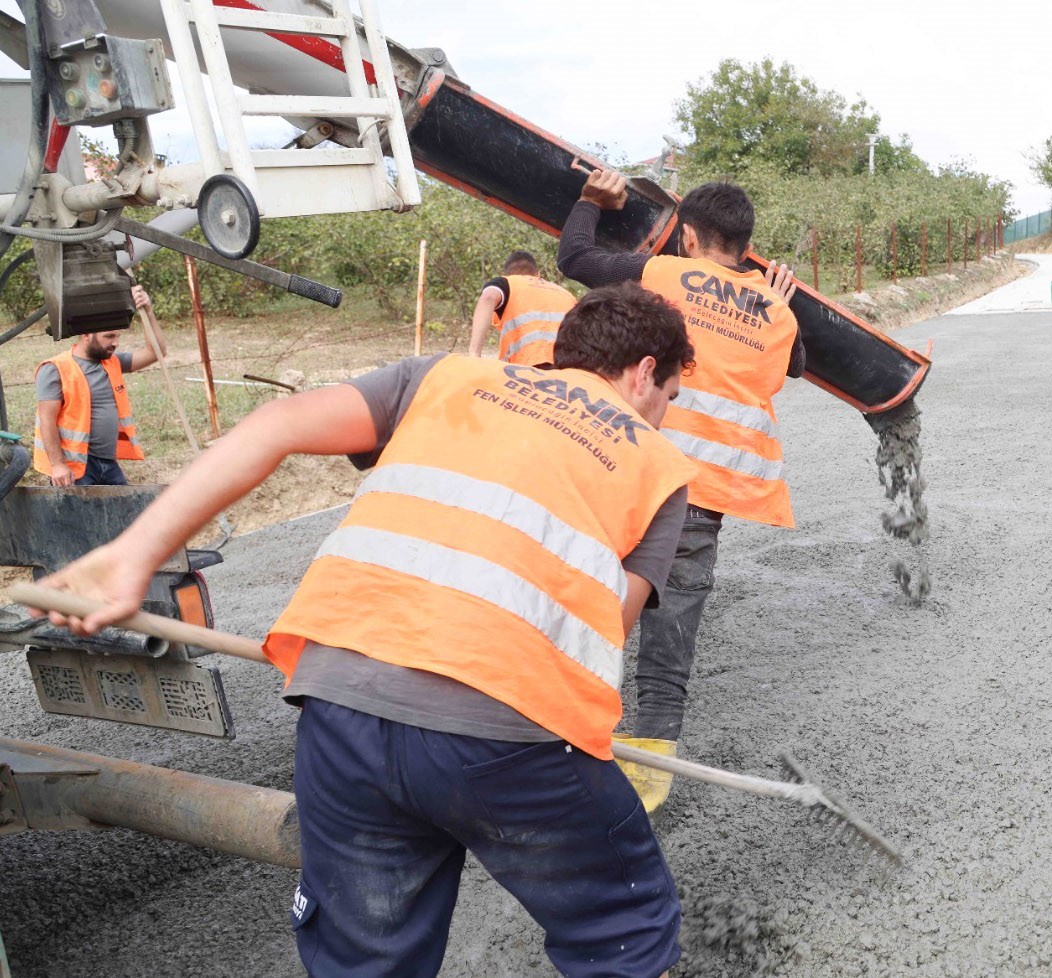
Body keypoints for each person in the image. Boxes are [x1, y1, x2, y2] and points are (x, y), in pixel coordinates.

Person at [31, 283, 699, 978]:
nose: (665, 417)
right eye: (671, 397)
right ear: (646, 372)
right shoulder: (657, 466)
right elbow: (605, 624)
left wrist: (133, 556)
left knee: (366, 963)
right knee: (626, 929)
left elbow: (279, 424)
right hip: (511, 733)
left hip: (341, 710)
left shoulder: (442, 375)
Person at [557, 169, 802, 809]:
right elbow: (792, 366)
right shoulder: (777, 313)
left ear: (687, 237)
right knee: (668, 640)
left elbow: (576, 259)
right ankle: (648, 783)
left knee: (574, 593)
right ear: (746, 245)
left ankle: (545, 732)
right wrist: (777, 300)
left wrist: (590, 202)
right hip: (701, 496)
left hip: (627, 471)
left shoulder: (662, 275)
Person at [33, 284, 168, 486]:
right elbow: (47, 421)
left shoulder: (112, 362)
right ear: (86, 335)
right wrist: (58, 465)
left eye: (118, 336)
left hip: (108, 464)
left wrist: (147, 311)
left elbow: (155, 351)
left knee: (125, 514)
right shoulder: (55, 369)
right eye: (109, 336)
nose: (116, 343)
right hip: (75, 469)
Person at [467, 249, 577, 365]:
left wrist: (474, 354)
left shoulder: (507, 283)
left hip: (528, 369)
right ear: (538, 274)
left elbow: (488, 297)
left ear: (506, 275)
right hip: (569, 369)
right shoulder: (566, 294)